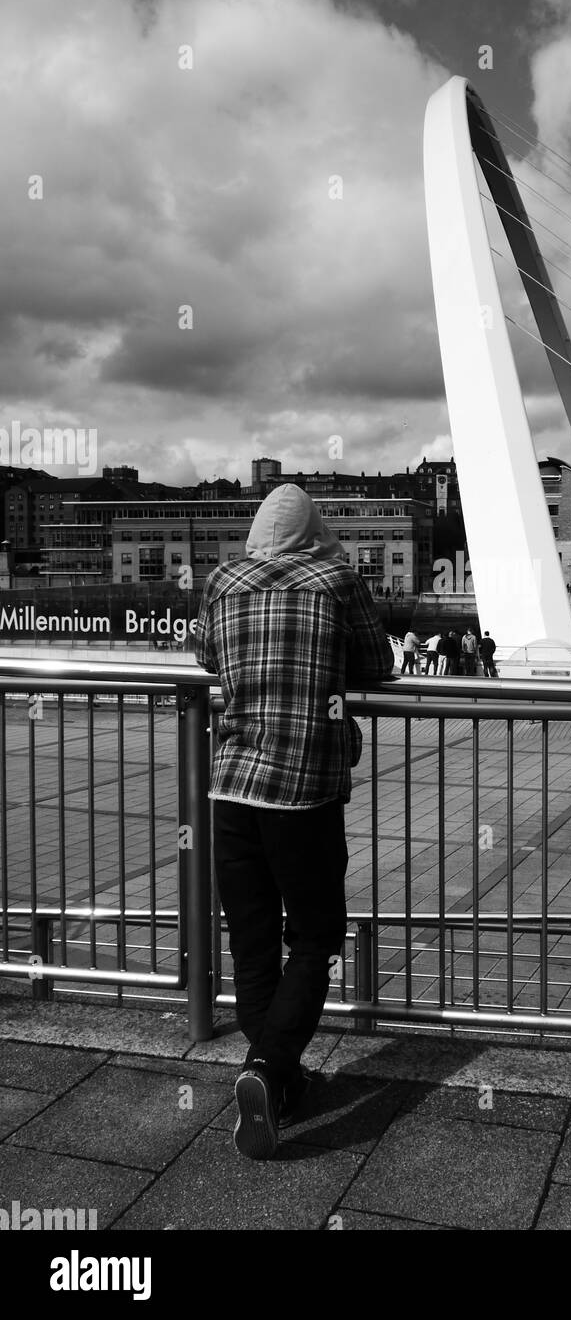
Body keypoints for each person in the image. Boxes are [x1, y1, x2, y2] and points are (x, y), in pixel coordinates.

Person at [194, 484, 393, 1160]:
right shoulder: (337, 578)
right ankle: (268, 1067)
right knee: (314, 940)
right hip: (303, 795)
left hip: (231, 791)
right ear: (315, 529)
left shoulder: (223, 579)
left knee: (252, 943)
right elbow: (377, 664)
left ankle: (280, 1082)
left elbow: (206, 660)